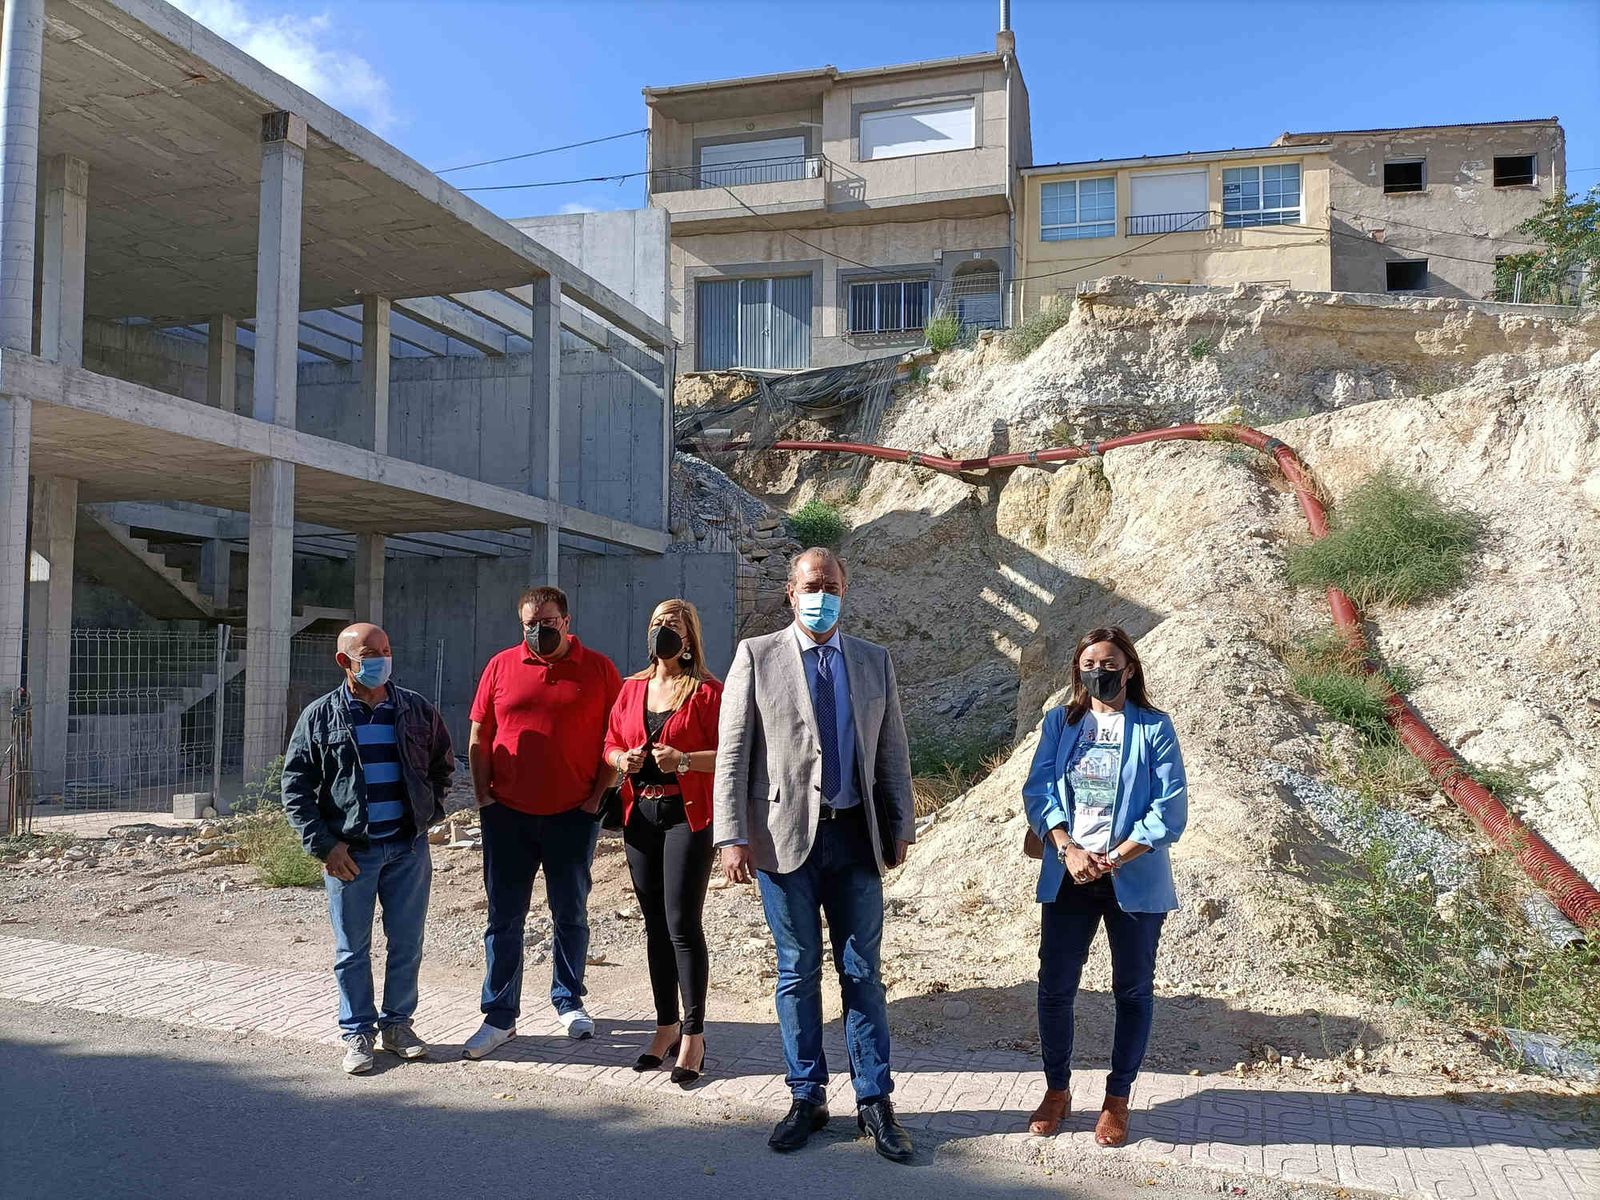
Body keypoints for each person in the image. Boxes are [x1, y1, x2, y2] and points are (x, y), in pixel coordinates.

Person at [713, 547, 917, 1163]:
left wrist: (901, 823)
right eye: (811, 584)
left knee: (863, 973)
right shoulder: (757, 655)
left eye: (831, 584)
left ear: (845, 591)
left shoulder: (873, 661)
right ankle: (807, 1096)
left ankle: (874, 1100)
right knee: (797, 970)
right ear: (790, 590)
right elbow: (732, 752)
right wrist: (730, 835)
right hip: (783, 840)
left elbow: (892, 753)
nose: (820, 594)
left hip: (856, 836)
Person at [1021, 625, 1188, 1147]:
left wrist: (1113, 857)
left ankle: (1117, 1098)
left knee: (1133, 990)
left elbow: (1170, 811)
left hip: (1130, 879)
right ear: (1078, 671)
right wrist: (1068, 848)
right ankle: (1056, 1090)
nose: (1099, 671)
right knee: (1055, 987)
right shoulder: (1060, 723)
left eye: (1109, 662)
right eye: (1089, 663)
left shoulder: (1155, 728)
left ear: (1129, 668)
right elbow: (1039, 788)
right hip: (1069, 875)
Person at [281, 622, 455, 1075]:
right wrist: (324, 846)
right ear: (345, 662)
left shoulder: (416, 709)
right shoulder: (320, 717)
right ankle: (357, 1032)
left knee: (407, 943)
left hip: (407, 849)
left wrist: (427, 814)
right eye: (369, 652)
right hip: (350, 855)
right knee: (351, 950)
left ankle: (398, 1025)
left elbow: (443, 764)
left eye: (385, 648)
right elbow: (295, 787)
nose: (380, 658)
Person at [462, 585, 622, 1060]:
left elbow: (615, 735)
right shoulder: (500, 666)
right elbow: (478, 733)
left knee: (570, 912)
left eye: (547, 622)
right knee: (504, 917)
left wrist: (597, 798)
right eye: (530, 623)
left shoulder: (598, 669)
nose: (538, 630)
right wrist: (483, 797)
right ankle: (499, 1017)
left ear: (567, 622)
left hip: (573, 815)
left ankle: (568, 1000)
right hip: (507, 815)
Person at [603, 599, 723, 1086]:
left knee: (681, 923)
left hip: (687, 816)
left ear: (690, 637)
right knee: (653, 924)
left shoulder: (709, 692)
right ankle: (665, 1025)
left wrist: (687, 761)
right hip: (640, 814)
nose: (664, 632)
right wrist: (620, 760)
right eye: (656, 624)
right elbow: (608, 741)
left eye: (673, 625)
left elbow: (733, 754)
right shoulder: (631, 688)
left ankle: (694, 1036)